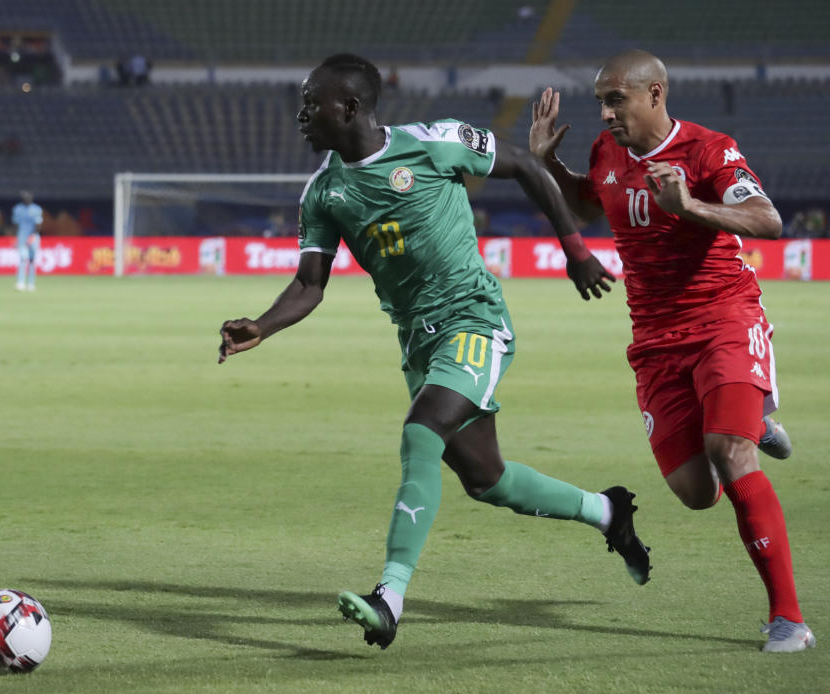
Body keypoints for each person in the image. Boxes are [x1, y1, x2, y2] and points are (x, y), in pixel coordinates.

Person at [219, 53, 651, 650]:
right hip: (419, 344)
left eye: (310, 101)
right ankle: (607, 512)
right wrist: (262, 327)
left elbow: (525, 164)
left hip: (473, 320)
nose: (300, 114)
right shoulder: (323, 192)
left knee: (421, 431)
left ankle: (389, 597)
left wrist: (575, 249)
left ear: (348, 107)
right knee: (487, 480)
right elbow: (309, 283)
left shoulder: (434, 143)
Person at [529, 49, 814, 653]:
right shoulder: (607, 152)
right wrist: (548, 164)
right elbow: (590, 201)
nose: (605, 113)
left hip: (724, 319)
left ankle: (789, 619)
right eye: (600, 101)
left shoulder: (709, 149)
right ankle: (749, 416)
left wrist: (691, 208)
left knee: (729, 451)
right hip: (655, 340)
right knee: (696, 492)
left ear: (655, 94)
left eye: (616, 100)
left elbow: (767, 220)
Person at [12, 191, 43, 291]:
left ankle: (31, 283)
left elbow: (38, 225)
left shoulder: (37, 209)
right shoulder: (17, 209)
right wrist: (16, 237)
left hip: (33, 237)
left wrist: (33, 235)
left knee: (32, 260)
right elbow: (15, 224)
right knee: (22, 260)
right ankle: (21, 282)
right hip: (22, 237)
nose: (27, 199)